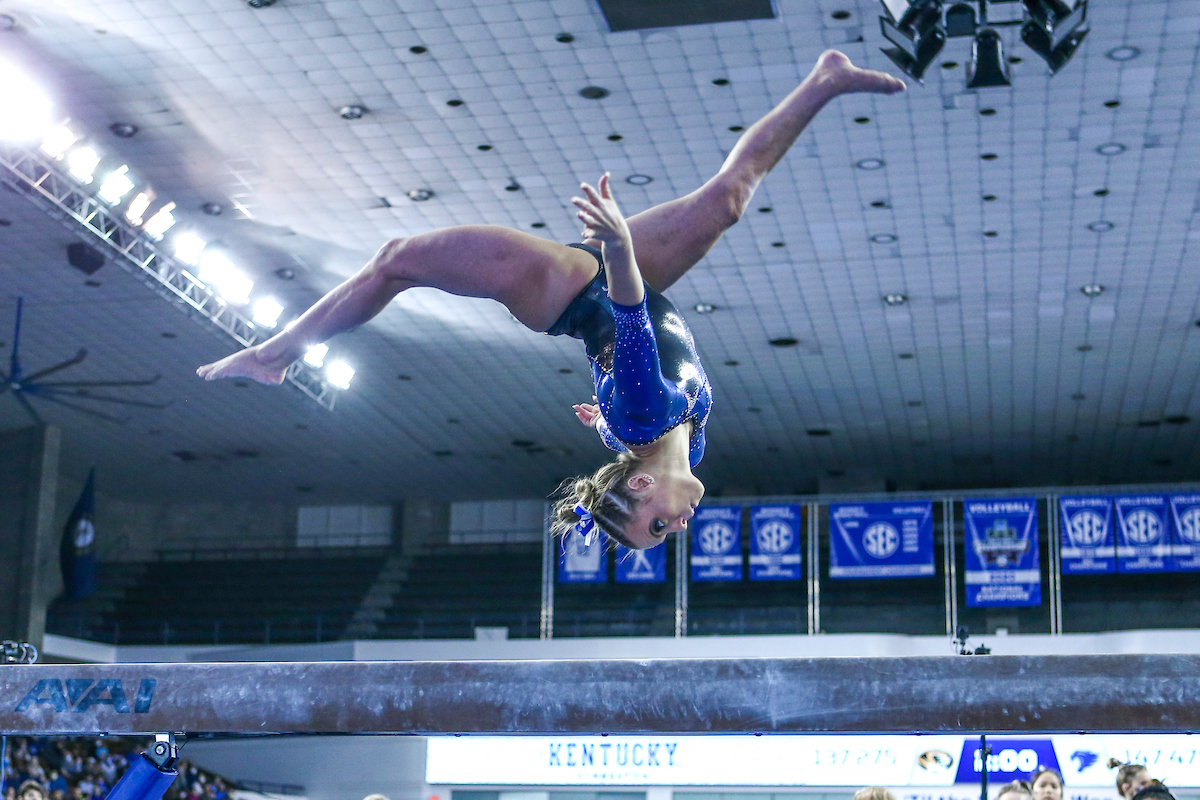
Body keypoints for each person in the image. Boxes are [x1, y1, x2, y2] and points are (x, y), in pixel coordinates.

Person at [197, 51, 904, 547]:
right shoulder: (680, 440)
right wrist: (604, 417)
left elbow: (632, 321)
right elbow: (625, 411)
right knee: (726, 202)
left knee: (396, 262)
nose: (676, 527)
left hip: (568, 288)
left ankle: (273, 354)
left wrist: (619, 246)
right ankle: (825, 79)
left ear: (640, 490)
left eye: (656, 526)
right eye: (664, 537)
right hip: (613, 283)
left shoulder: (646, 417)